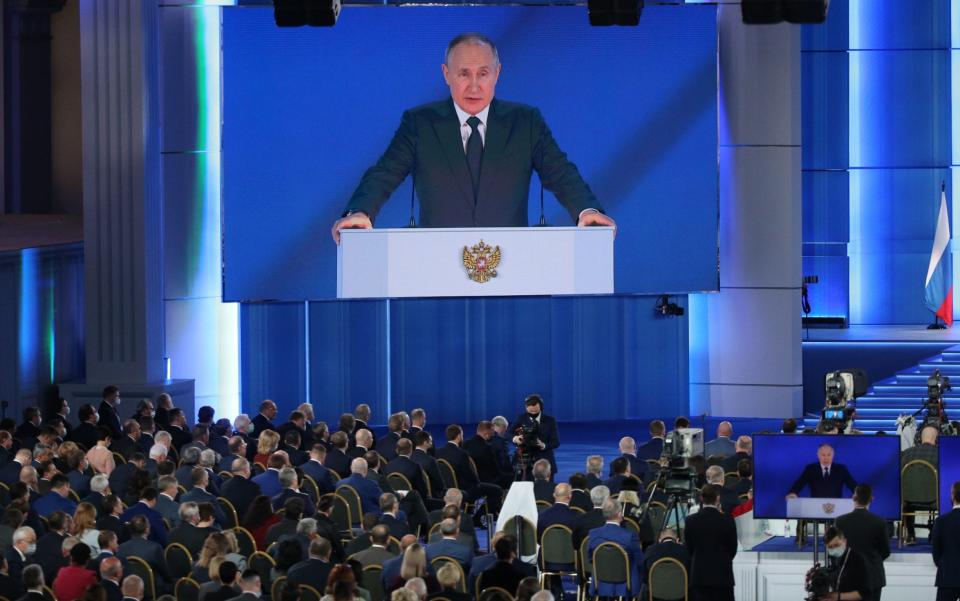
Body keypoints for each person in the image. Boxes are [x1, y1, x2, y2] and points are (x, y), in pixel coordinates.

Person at [331, 33, 613, 240]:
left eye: (483, 73)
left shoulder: (525, 122)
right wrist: (360, 212)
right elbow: (384, 173)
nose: (474, 85)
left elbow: (560, 172)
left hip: (512, 266)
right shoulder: (420, 123)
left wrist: (586, 210)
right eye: (464, 74)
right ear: (446, 74)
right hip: (435, 264)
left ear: (497, 74)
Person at [834, 485, 889, 601]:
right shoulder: (880, 522)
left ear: (854, 497)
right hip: (873, 577)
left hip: (847, 576)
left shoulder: (840, 521)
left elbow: (836, 551)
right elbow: (885, 551)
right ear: (871, 499)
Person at [684, 485, 737, 601]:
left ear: (701, 498)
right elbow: (733, 549)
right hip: (723, 576)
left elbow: (689, 548)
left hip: (699, 576)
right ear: (718, 498)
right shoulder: (728, 520)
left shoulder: (690, 520)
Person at [587, 498, 643, 599]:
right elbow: (640, 562)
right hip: (625, 583)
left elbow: (591, 558)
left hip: (601, 581)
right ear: (619, 514)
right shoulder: (630, 536)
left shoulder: (593, 533)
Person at [901, 425, 939, 544]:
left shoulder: (906, 454)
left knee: (906, 490)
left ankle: (911, 535)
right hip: (934, 501)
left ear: (919, 438)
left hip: (908, 501)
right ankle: (936, 533)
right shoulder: (940, 454)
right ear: (937, 439)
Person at [509, 395, 560, 478]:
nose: (533, 413)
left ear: (541, 407)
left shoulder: (550, 421)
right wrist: (515, 438)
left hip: (545, 461)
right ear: (526, 408)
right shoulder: (521, 418)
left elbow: (556, 442)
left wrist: (544, 445)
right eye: (530, 411)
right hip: (525, 462)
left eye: (535, 411)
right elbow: (508, 433)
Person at [787, 443, 857, 499]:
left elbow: (852, 484)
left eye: (829, 455)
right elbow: (799, 483)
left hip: (836, 507)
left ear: (833, 455)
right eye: (823, 455)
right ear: (818, 455)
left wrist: (858, 494)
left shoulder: (841, 469)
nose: (826, 458)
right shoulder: (810, 469)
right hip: (815, 506)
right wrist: (793, 493)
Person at [822, 526, 871, 601]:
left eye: (837, 545)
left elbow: (863, 593)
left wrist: (838, 596)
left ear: (844, 541)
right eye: (830, 547)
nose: (834, 549)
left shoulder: (858, 560)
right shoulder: (832, 558)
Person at [639, 529, 690, 601]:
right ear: (677, 540)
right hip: (680, 594)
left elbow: (645, 577)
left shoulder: (650, 550)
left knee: (644, 585)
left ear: (660, 540)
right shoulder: (685, 551)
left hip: (655, 594)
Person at [932, 481, 960, 601]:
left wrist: (945, 565)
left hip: (948, 576)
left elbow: (936, 553)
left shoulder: (941, 521)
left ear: (952, 496)